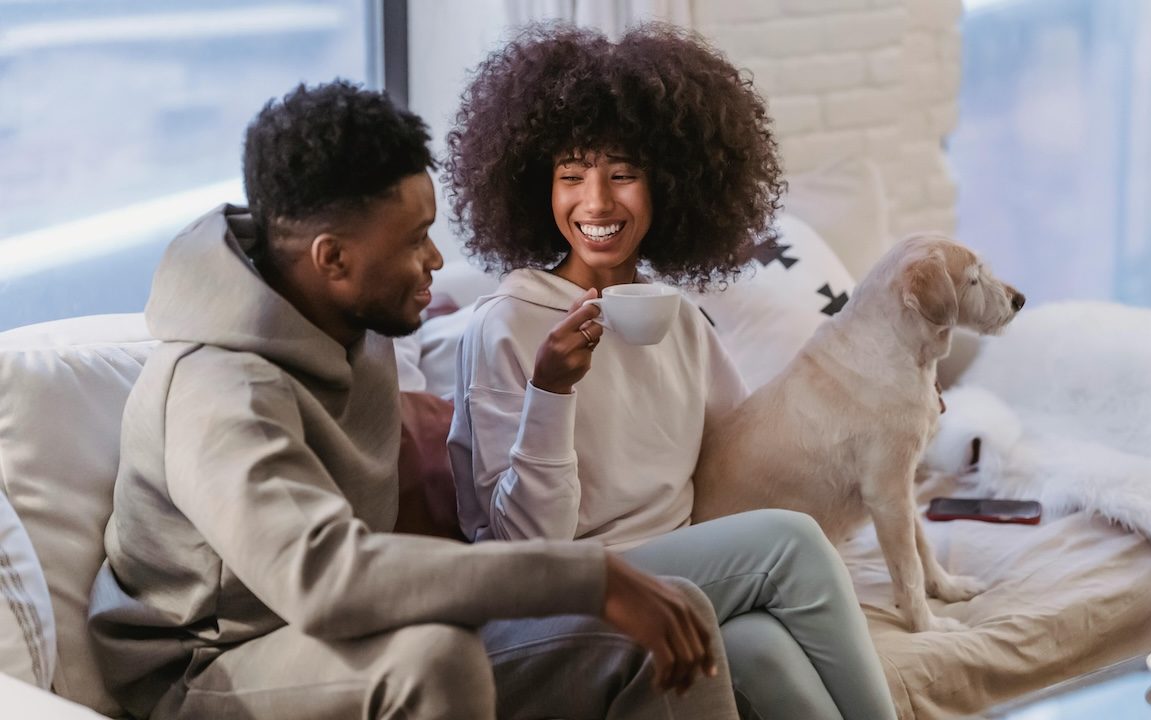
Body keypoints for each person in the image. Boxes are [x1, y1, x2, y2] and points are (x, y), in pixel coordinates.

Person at [86, 80, 741, 720]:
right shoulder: (216, 393)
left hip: (358, 630)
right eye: (414, 239)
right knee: (436, 660)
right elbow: (325, 579)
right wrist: (586, 576)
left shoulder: (357, 327)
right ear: (332, 259)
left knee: (672, 613)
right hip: (214, 666)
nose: (435, 259)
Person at [446, 24, 899, 720]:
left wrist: (886, 402)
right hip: (561, 595)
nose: (596, 202)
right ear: (539, 188)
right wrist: (552, 390)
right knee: (790, 544)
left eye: (622, 174)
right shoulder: (507, 323)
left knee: (760, 651)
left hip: (679, 578)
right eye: (571, 176)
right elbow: (531, 548)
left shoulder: (680, 319)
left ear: (669, 183)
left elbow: (747, 459)